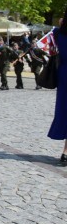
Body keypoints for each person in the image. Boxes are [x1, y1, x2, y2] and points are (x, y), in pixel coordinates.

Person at [47, 11, 67, 165]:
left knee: (64, 110)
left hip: (64, 74)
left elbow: (49, 43)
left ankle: (65, 152)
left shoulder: (58, 33)